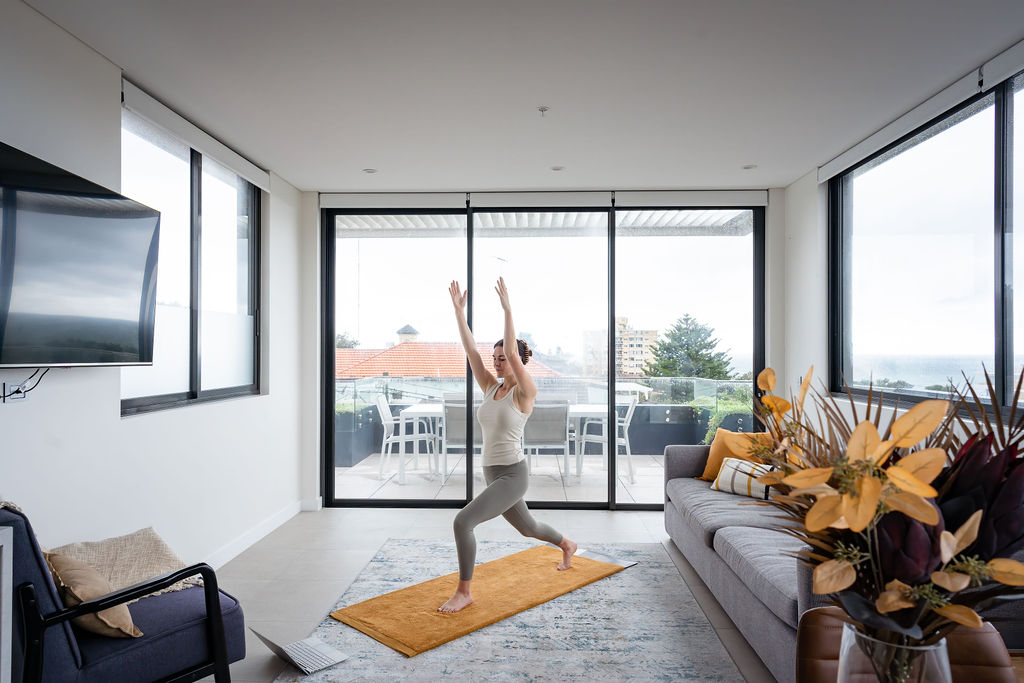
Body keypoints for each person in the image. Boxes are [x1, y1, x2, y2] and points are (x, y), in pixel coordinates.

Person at [438, 277, 577, 613]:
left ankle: (464, 591)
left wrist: (508, 308)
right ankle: (567, 544)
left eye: (503, 358)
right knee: (528, 528)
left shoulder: (524, 392)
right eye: (496, 357)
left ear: (516, 362)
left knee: (462, 522)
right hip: (492, 472)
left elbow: (514, 352)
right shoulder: (490, 387)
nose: (498, 362)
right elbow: (471, 351)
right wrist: (459, 312)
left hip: (513, 475)